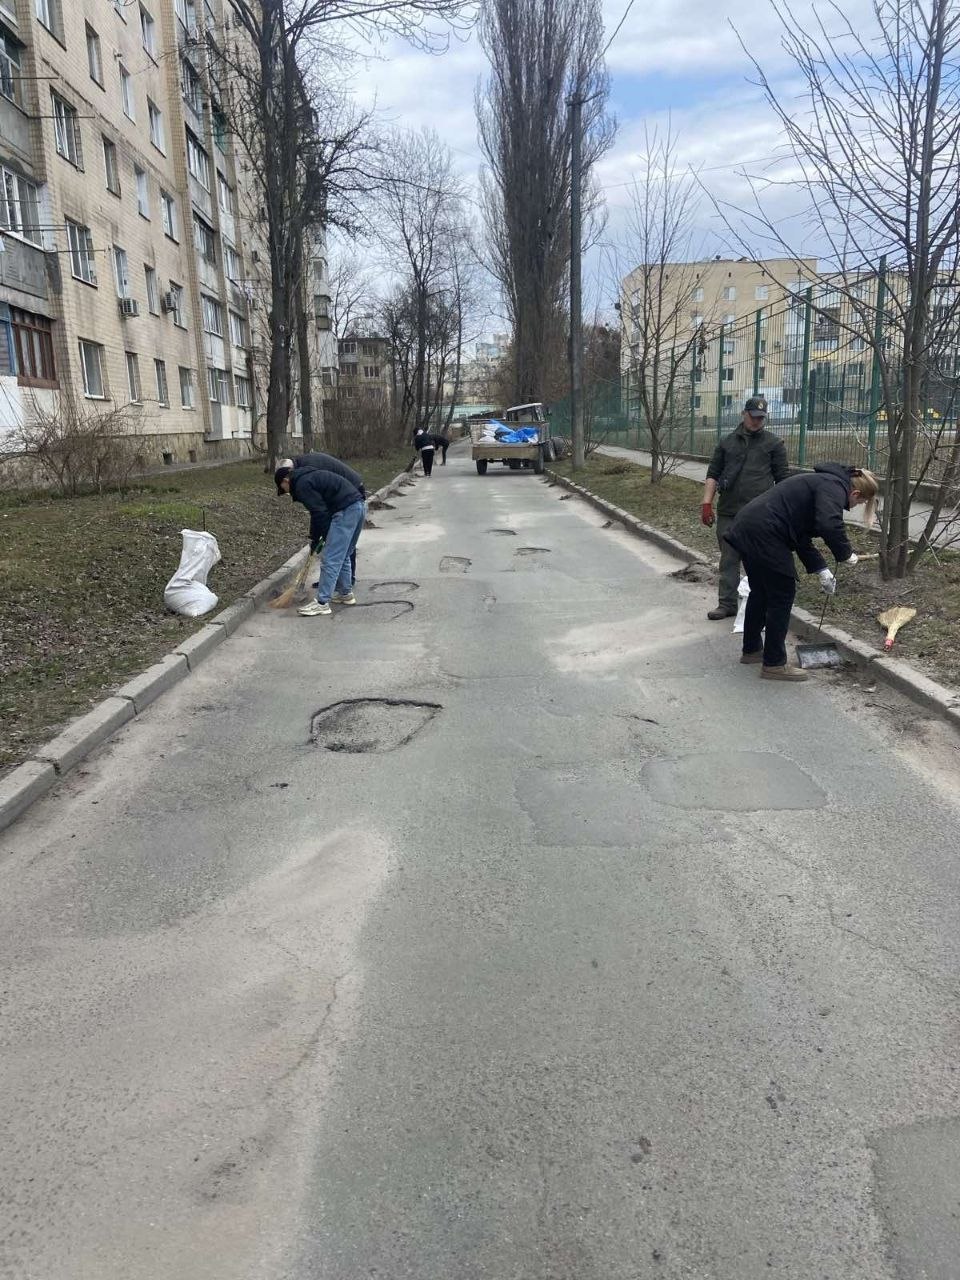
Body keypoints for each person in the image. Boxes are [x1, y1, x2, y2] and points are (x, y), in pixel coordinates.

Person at [724, 463, 879, 682]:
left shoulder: (823, 483)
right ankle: (774, 664)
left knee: (761, 592)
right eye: (859, 503)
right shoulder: (834, 487)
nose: (853, 507)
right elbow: (829, 524)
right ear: (855, 493)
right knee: (782, 594)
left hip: (749, 526)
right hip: (765, 532)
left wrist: (822, 570)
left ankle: (752, 650)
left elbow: (801, 537)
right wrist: (845, 554)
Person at [701, 396, 789, 620]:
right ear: (744, 414)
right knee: (728, 560)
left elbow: (783, 480)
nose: (757, 421)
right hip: (729, 511)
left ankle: (760, 605)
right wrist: (706, 503)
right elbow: (713, 474)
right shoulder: (727, 442)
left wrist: (783, 513)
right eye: (753, 417)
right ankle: (727, 604)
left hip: (759, 515)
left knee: (759, 562)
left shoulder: (774, 444)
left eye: (761, 418)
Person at [274, 462, 366, 616]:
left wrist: (323, 537)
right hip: (358, 506)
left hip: (345, 510)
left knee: (330, 558)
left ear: (285, 480)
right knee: (343, 555)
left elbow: (319, 513)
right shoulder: (307, 476)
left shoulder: (302, 485)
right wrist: (315, 537)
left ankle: (322, 603)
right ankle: (345, 594)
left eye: (282, 488)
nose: (286, 492)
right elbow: (317, 511)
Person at [279, 452, 365, 585]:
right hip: (342, 492)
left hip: (351, 490)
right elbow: (317, 509)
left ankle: (345, 581)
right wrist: (315, 537)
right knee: (337, 541)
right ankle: (335, 580)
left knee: (341, 541)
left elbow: (319, 510)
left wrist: (326, 536)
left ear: (288, 473)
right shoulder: (303, 469)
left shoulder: (306, 475)